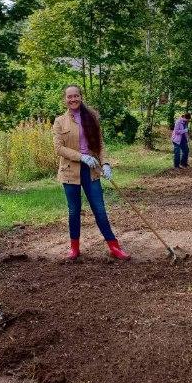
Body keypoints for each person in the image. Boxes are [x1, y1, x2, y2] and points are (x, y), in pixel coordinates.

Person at [52, 85, 130, 261]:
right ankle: (74, 248)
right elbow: (58, 148)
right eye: (69, 97)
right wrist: (82, 157)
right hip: (70, 172)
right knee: (74, 211)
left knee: (100, 209)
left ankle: (114, 246)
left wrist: (106, 164)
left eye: (76, 96)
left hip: (92, 171)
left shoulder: (92, 117)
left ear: (81, 97)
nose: (73, 99)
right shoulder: (59, 121)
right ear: (65, 99)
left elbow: (100, 145)